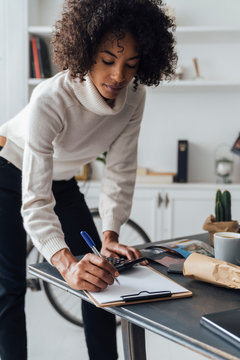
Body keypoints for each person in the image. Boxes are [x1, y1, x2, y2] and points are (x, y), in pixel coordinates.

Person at [0, 0, 177, 359]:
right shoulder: (51, 99)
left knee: (100, 273)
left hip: (61, 178)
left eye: (131, 64)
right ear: (86, 53)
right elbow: (35, 198)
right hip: (8, 168)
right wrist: (66, 265)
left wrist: (110, 235)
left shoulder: (134, 97)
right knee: (10, 286)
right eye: (108, 61)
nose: (118, 76)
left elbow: (120, 169)